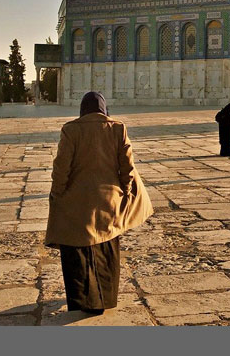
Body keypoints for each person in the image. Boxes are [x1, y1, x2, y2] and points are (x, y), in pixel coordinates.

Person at [45, 92, 153, 316]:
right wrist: (126, 191)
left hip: (77, 202)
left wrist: (57, 194)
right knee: (106, 250)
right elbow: (128, 167)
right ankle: (105, 298)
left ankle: (85, 300)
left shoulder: (71, 130)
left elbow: (61, 168)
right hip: (109, 201)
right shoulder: (117, 128)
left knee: (78, 251)